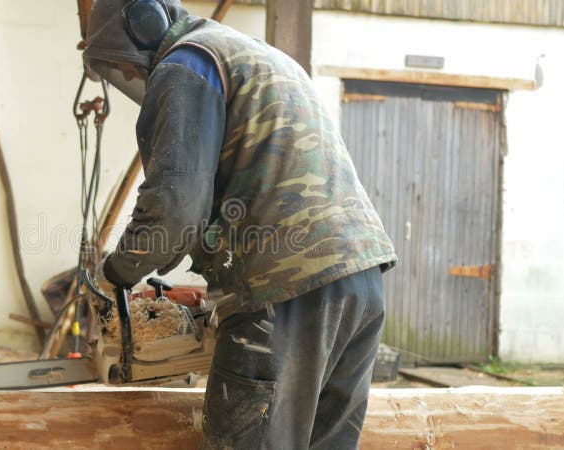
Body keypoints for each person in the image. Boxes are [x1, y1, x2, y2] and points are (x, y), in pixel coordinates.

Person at [83, 1, 397, 448]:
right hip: (360, 282)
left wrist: (116, 273)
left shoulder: (185, 66)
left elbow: (173, 211)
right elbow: (258, 190)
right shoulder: (251, 55)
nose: (130, 76)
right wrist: (212, 290)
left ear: (145, 25)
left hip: (285, 295)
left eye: (123, 66)